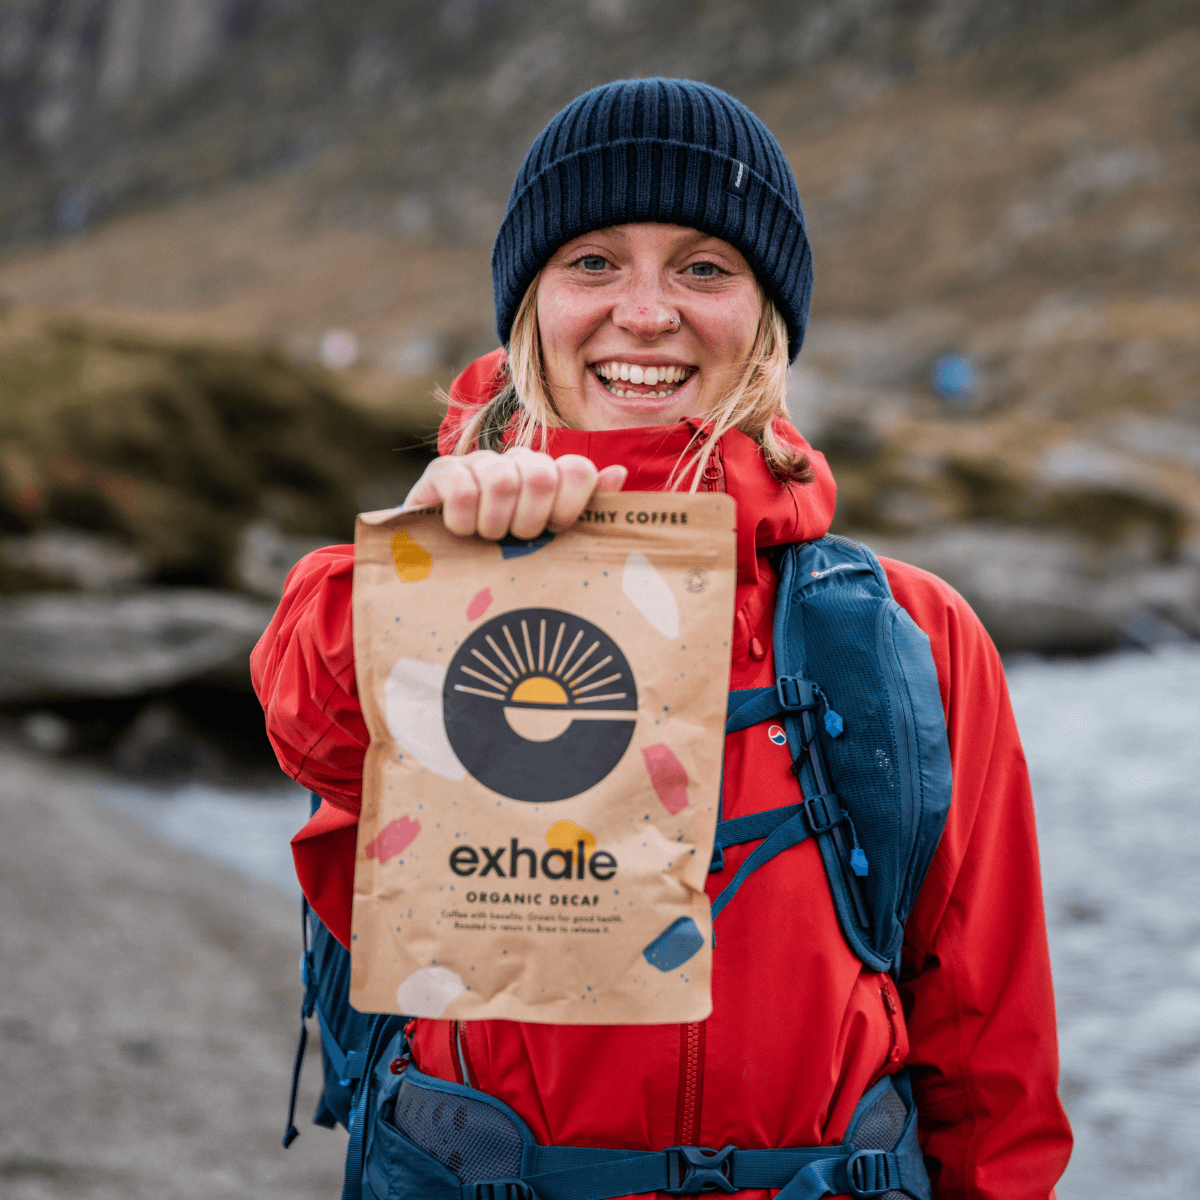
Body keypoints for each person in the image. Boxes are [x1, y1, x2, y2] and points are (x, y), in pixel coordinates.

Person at [252, 78, 1072, 1199]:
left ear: (768, 315)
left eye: (704, 267)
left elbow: (993, 1056)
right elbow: (310, 723)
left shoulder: (913, 635)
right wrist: (429, 559)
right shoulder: (428, 572)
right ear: (531, 305)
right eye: (593, 262)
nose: (646, 313)